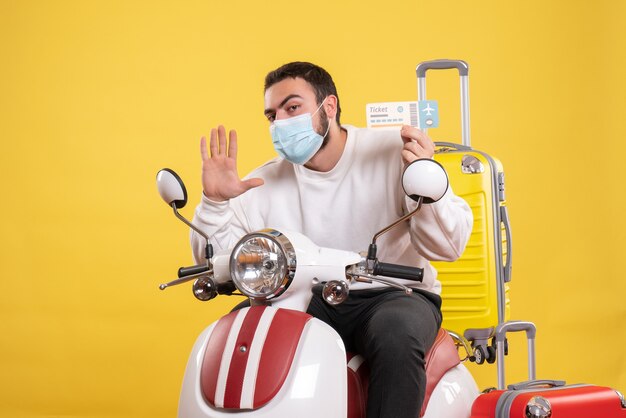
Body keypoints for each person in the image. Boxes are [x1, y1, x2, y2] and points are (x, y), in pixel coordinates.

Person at [191, 61, 473, 418]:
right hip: (304, 297)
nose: (280, 123)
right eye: (271, 115)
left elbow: (447, 247)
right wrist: (215, 202)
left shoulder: (395, 151)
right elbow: (218, 265)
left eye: (292, 107)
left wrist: (425, 176)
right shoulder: (262, 182)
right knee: (245, 328)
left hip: (392, 293)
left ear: (329, 106)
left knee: (396, 335)